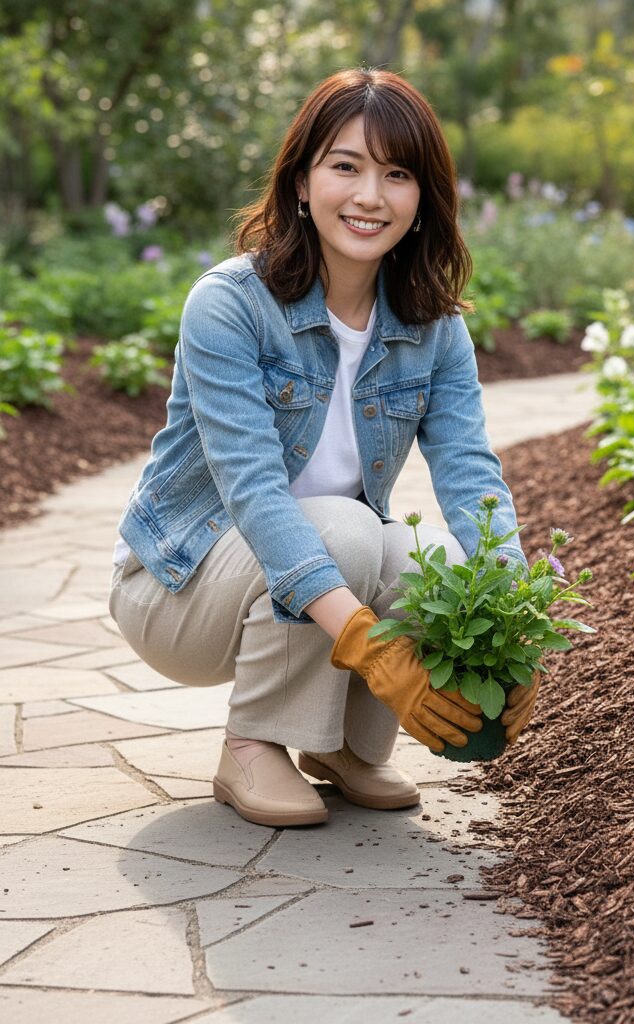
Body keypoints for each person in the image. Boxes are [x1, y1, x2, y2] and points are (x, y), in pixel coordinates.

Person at [107, 68, 539, 828]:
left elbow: (472, 475)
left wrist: (514, 620)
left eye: (396, 174)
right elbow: (255, 494)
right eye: (346, 166)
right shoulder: (230, 305)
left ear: (421, 198)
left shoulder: (434, 329)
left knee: (422, 552)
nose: (370, 196)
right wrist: (373, 651)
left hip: (296, 579)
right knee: (340, 527)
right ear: (302, 182)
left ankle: (340, 744)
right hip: (179, 588)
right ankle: (255, 744)